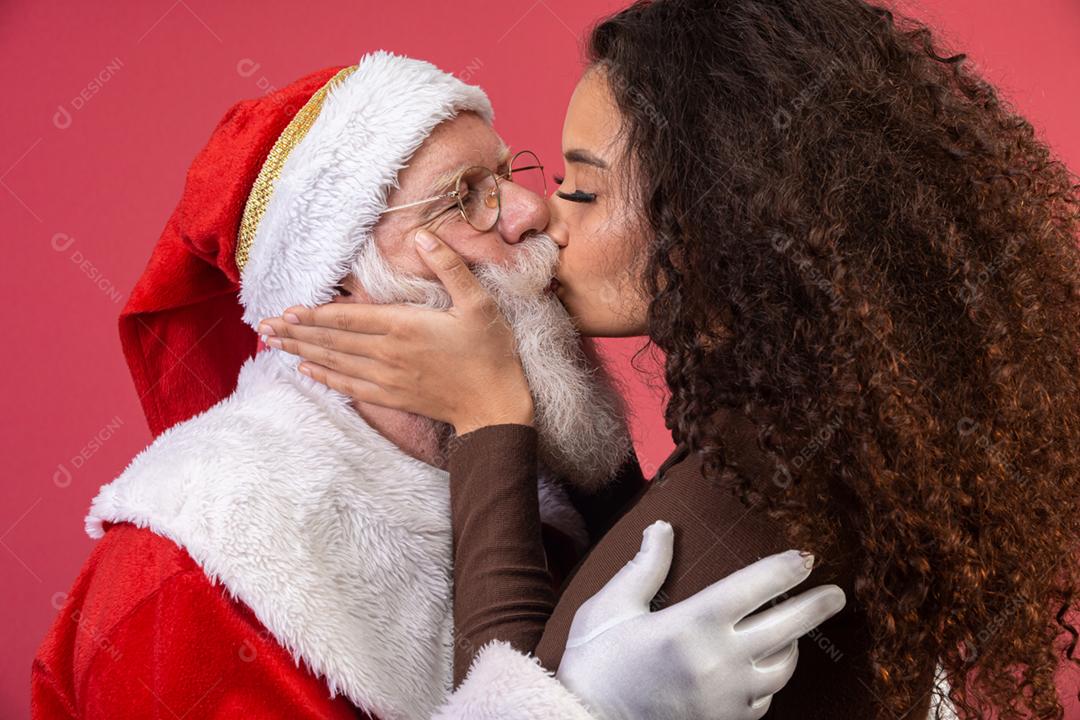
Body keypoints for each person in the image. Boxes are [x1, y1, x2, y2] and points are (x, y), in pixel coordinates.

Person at [261, 1, 1080, 718]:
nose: (543, 216)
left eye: (583, 187)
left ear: (715, 209)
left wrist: (488, 417)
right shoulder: (815, 421)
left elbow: (502, 695)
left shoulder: (764, 484)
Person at [32, 51, 844, 720]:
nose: (532, 210)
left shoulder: (543, 470)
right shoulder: (190, 566)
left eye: (509, 172)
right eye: (465, 197)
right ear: (340, 291)